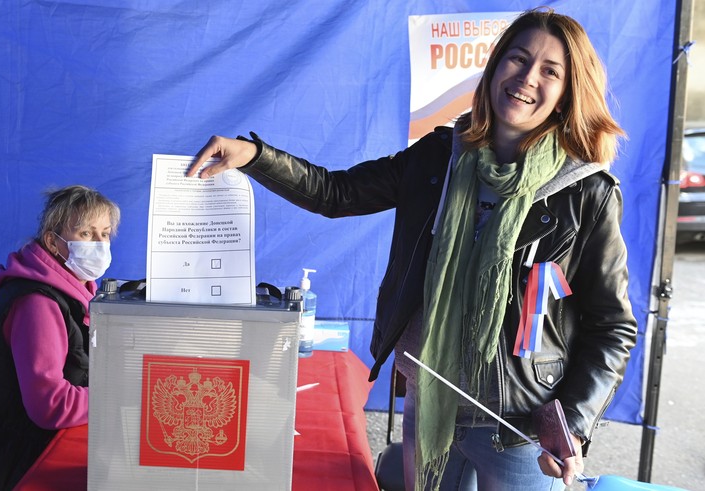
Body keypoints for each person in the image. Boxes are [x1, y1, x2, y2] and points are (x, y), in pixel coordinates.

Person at [187, 8, 637, 491]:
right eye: (517, 59)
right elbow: (338, 193)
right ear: (494, 67)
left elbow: (613, 327)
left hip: (519, 432)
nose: (527, 78)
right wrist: (255, 157)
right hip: (430, 406)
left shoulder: (586, 193)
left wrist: (571, 425)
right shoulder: (437, 157)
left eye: (550, 71)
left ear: (569, 92)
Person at [0, 185, 120, 490]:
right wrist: (119, 395)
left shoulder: (73, 290)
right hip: (11, 458)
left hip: (23, 441)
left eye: (105, 234)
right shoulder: (38, 304)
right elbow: (49, 405)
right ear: (52, 242)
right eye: (87, 234)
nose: (100, 245)